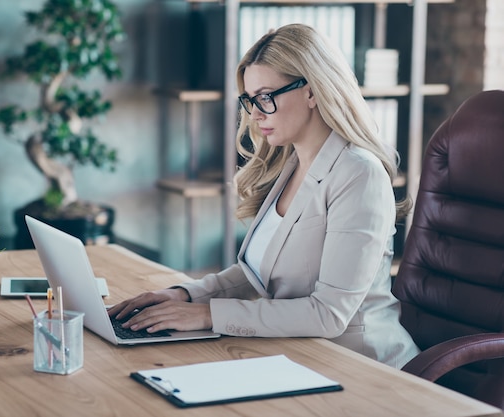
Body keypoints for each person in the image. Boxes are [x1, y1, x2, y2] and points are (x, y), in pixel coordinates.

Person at [108, 23, 420, 368]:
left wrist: (207, 315)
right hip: (301, 354)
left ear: (312, 91)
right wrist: (183, 295)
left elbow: (329, 314)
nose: (255, 115)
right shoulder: (293, 163)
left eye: (266, 97)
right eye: (250, 100)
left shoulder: (359, 174)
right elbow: (256, 274)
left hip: (362, 365)